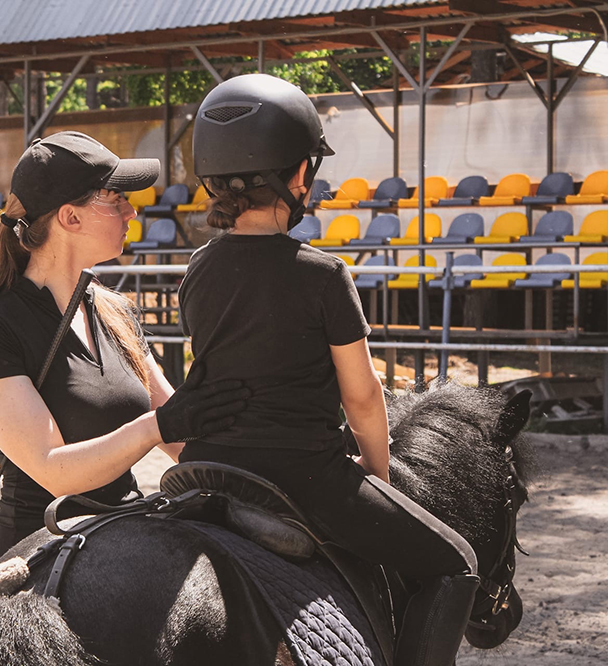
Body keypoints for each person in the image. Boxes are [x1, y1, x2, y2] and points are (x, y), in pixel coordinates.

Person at [178, 74, 479, 666]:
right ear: (297, 177)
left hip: (204, 470)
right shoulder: (323, 274)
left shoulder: (198, 269)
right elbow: (362, 396)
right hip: (304, 477)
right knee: (456, 563)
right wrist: (376, 468)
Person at [0, 131, 250, 568]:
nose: (132, 211)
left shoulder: (116, 313)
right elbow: (56, 472)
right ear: (70, 218)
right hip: (38, 557)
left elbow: (184, 440)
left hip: (122, 535)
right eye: (116, 200)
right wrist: (155, 427)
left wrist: (265, 456)